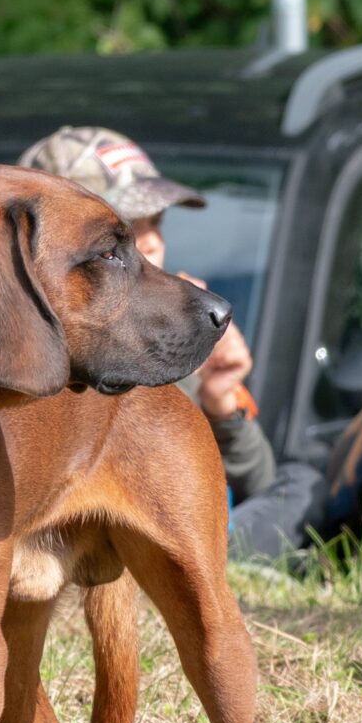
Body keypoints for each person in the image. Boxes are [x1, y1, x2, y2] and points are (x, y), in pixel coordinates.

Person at [16, 127, 281, 515]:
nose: (152, 241)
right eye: (120, 232)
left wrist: (220, 403)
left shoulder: (172, 318)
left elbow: (261, 490)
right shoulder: (65, 353)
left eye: (156, 222)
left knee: (297, 485)